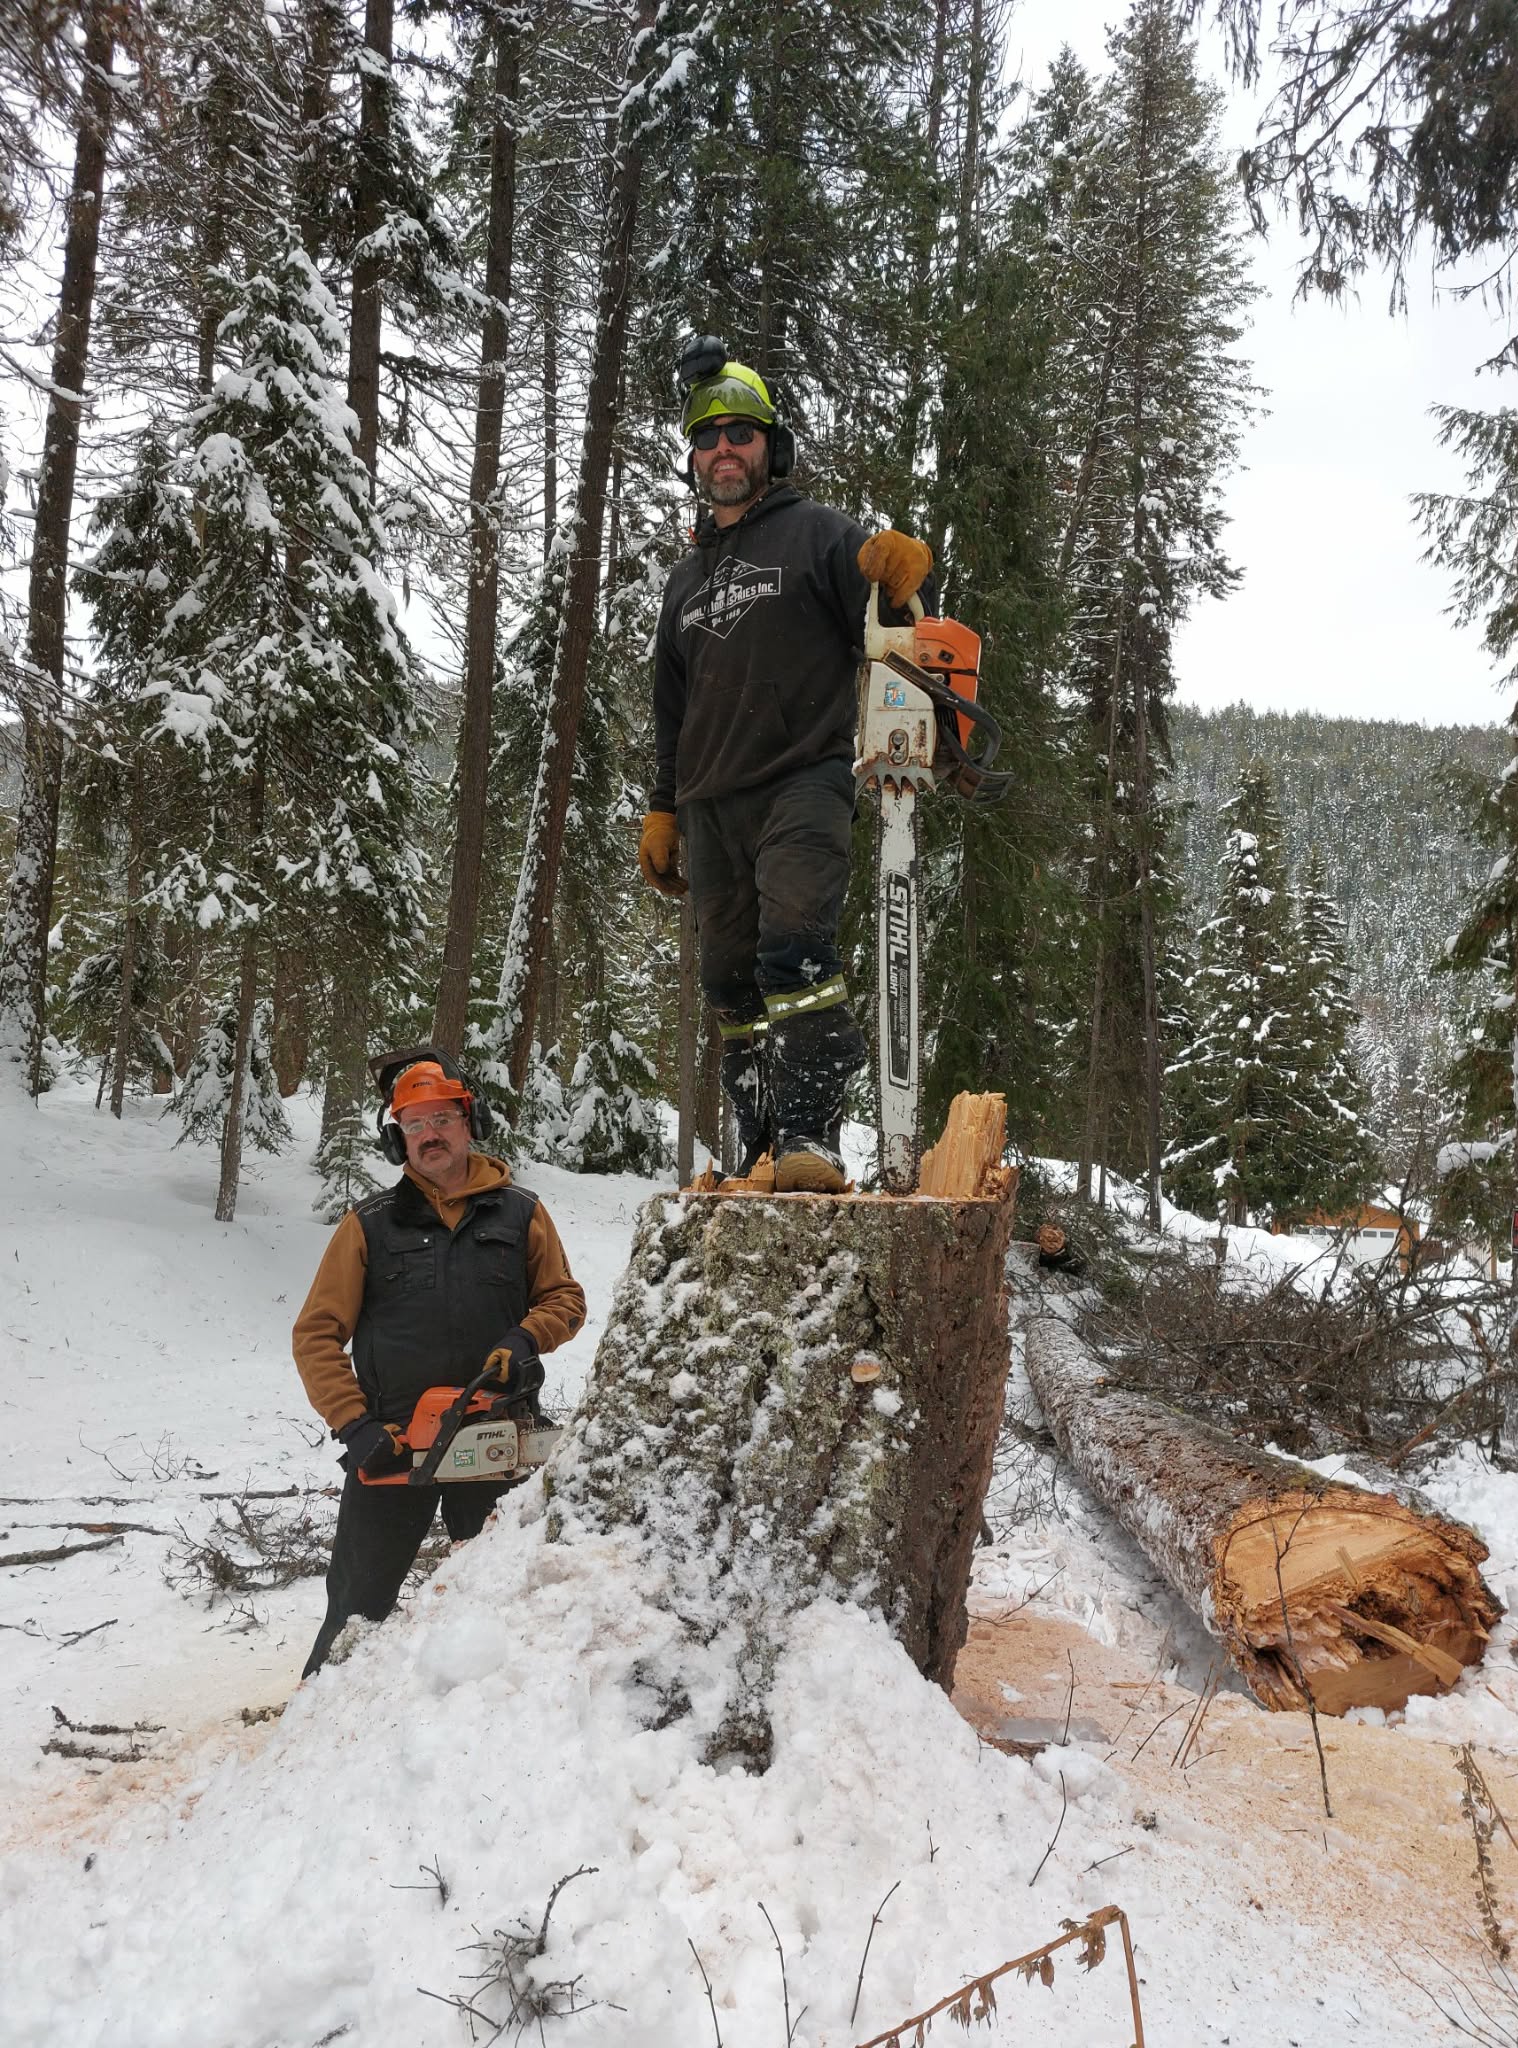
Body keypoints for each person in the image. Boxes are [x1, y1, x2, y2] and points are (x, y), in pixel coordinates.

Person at [638, 343, 933, 1192]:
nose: (723, 449)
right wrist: (663, 809)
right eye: (707, 437)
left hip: (802, 779)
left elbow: (899, 627)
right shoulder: (684, 580)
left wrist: (903, 582)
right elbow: (672, 710)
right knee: (730, 987)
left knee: (796, 949)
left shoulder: (818, 533)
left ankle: (814, 1140)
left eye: (740, 433)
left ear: (773, 445)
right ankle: (762, 1148)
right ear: (693, 458)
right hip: (707, 803)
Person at [292, 1051, 586, 1675]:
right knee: (356, 1605)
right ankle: (318, 1726)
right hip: (397, 1441)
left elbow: (565, 1298)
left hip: (497, 1429)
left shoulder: (521, 1212)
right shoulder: (368, 1225)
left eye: (442, 1119)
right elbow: (316, 1334)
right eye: (414, 1123)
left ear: (467, 1122)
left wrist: (527, 1338)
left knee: (506, 1594)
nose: (430, 1134)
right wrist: (355, 1426)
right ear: (397, 1137)